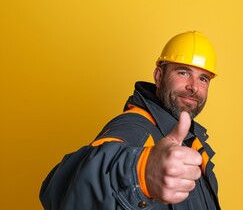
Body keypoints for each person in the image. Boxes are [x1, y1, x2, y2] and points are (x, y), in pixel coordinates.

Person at [40, 31, 221, 210]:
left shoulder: (194, 142)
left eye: (203, 79)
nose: (194, 87)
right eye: (183, 73)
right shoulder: (135, 128)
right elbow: (67, 190)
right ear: (159, 76)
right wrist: (140, 171)